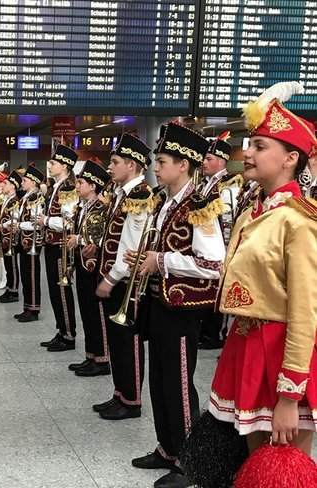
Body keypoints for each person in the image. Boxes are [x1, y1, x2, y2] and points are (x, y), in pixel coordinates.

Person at [209, 82, 317, 458]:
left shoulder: (298, 221)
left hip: (281, 354)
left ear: (290, 158)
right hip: (246, 345)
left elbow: (305, 311)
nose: (247, 153)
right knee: (255, 466)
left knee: (286, 469)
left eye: (260, 146)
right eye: (249, 144)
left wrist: (290, 394)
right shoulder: (254, 210)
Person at [129, 121, 225, 488]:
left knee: (181, 384)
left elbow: (214, 264)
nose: (156, 167)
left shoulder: (199, 205)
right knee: (159, 379)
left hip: (182, 308)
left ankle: (190, 461)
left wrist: (162, 261)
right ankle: (167, 448)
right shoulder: (165, 202)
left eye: (163, 160)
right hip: (159, 303)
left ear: (184, 164)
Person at [94, 133, 153, 420]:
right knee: (117, 342)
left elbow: (130, 247)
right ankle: (120, 393)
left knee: (127, 341)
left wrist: (111, 278)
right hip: (115, 279)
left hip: (124, 283)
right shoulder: (121, 194)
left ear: (132, 165)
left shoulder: (139, 196)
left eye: (115, 162)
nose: (110, 166)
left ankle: (131, 400)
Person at [65, 160, 112, 377]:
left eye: (81, 182)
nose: (77, 186)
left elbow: (101, 236)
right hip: (82, 264)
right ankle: (90, 355)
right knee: (85, 311)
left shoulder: (101, 208)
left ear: (93, 186)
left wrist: (79, 238)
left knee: (96, 313)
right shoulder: (81, 207)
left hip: (93, 267)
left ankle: (102, 359)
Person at [197, 133, 242, 350]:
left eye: (209, 159)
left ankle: (215, 334)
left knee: (218, 290)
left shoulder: (228, 184)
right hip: (206, 242)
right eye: (204, 159)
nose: (204, 163)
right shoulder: (205, 184)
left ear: (222, 161)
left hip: (221, 246)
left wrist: (226, 250)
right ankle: (205, 331)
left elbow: (228, 219)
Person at [38, 145, 80, 352]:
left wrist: (45, 220)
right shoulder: (55, 187)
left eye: (53, 163)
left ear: (64, 166)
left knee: (61, 291)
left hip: (61, 248)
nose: (50, 166)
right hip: (51, 245)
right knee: (54, 291)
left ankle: (69, 334)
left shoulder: (68, 189)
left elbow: (68, 222)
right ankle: (61, 329)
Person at [14, 164, 45, 322]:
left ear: (33, 182)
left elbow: (35, 222)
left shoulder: (36, 198)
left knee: (32, 275)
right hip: (24, 241)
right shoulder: (26, 197)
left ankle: (33, 309)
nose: (22, 183)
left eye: (25, 180)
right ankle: (27, 306)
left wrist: (19, 225)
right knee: (26, 275)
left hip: (31, 241)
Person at [0, 170, 21, 302]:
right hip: (4, 237)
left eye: (5, 183)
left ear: (13, 186)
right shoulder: (6, 200)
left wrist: (2, 226)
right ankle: (9, 288)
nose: (2, 185)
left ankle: (14, 291)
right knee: (7, 263)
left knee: (12, 265)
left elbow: (15, 219)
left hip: (11, 238)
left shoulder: (15, 201)